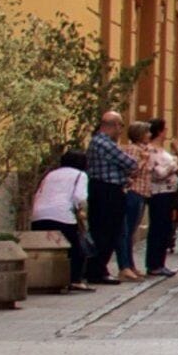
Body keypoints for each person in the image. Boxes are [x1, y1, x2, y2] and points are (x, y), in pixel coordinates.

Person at [29, 146, 101, 288]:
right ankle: (75, 279)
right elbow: (79, 197)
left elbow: (39, 193)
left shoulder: (51, 174)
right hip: (62, 215)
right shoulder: (80, 175)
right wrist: (81, 212)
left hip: (39, 214)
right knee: (75, 248)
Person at [79, 110, 135, 289]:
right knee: (107, 231)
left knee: (105, 230)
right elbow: (130, 163)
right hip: (107, 192)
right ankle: (97, 270)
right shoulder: (104, 143)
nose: (121, 131)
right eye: (120, 126)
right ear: (113, 125)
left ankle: (98, 268)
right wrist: (127, 171)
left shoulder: (99, 142)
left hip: (104, 188)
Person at [128, 120, 178, 278]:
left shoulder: (160, 150)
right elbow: (158, 173)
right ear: (159, 131)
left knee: (165, 228)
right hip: (159, 193)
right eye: (165, 129)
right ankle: (154, 264)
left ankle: (160, 262)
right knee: (158, 227)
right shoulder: (150, 151)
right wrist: (174, 164)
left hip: (169, 192)